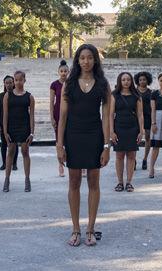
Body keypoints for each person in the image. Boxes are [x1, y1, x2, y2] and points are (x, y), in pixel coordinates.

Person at [56, 44, 111, 247]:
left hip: (94, 135)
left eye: (89, 58)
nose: (86, 61)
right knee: (74, 182)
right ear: (77, 61)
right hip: (73, 135)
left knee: (94, 182)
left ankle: (90, 228)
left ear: (95, 60)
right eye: (82, 58)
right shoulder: (68, 84)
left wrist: (106, 146)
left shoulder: (103, 84)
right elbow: (62, 117)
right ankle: (76, 229)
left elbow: (106, 117)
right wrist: (59, 144)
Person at [110, 72, 144, 192]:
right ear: (120, 81)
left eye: (128, 79)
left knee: (131, 155)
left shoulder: (136, 95)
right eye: (123, 79)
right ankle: (120, 182)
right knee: (119, 156)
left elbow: (140, 114)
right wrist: (111, 131)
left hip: (132, 128)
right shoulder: (114, 95)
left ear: (131, 81)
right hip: (119, 127)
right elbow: (110, 114)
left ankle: (129, 182)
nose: (126, 82)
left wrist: (141, 131)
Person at [3, 71, 36, 192]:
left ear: (24, 80)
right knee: (10, 152)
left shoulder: (29, 96)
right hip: (12, 127)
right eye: (16, 80)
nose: (18, 82)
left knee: (25, 152)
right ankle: (6, 180)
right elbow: (5, 115)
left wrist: (32, 132)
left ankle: (27, 180)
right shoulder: (8, 95)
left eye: (20, 80)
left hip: (24, 127)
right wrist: (5, 132)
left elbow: (32, 116)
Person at [50, 60, 70, 177]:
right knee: (59, 140)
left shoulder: (72, 83)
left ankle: (80, 165)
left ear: (69, 72)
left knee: (73, 139)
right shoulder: (54, 85)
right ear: (58, 72)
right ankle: (60, 164)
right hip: (58, 114)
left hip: (70, 114)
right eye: (61, 71)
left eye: (65, 71)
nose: (63, 73)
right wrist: (52, 117)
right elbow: (51, 102)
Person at [0, 76, 19, 171]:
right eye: (7, 83)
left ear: (13, 83)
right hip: (3, 124)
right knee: (4, 144)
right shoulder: (1, 96)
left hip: (14, 124)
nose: (9, 85)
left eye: (10, 82)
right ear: (4, 84)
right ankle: (4, 163)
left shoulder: (17, 95)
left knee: (15, 144)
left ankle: (14, 163)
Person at [134, 71, 153, 170]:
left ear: (147, 80)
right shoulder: (134, 91)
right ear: (137, 80)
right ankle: (134, 160)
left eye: (144, 79)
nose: (142, 81)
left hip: (148, 117)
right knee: (134, 138)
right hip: (135, 117)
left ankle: (145, 159)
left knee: (148, 137)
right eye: (140, 80)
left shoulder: (151, 92)